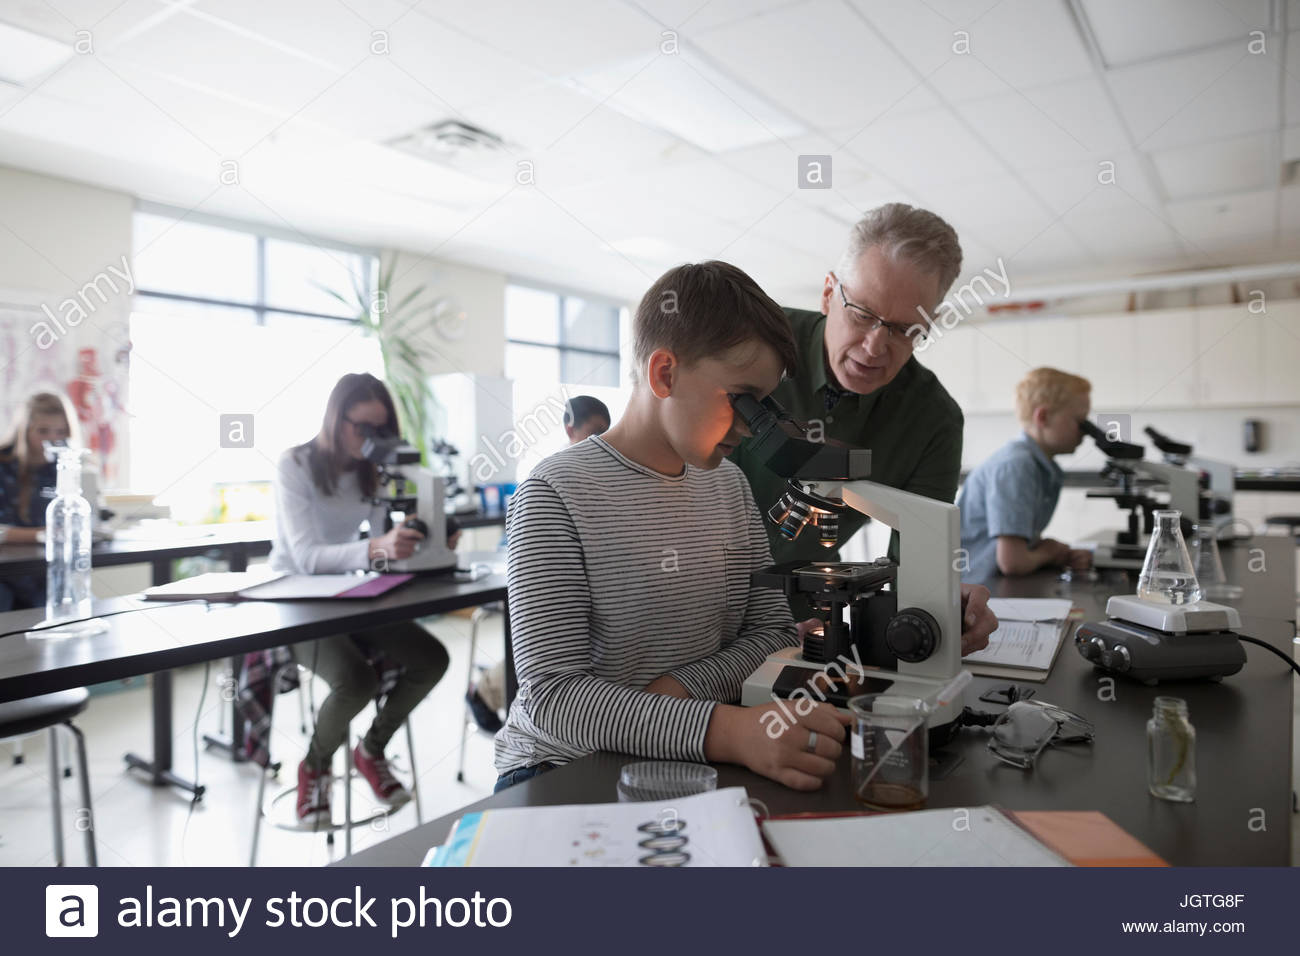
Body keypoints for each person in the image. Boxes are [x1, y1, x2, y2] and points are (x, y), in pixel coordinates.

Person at [494, 261, 852, 793]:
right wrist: (725, 731)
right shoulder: (554, 494)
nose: (754, 428)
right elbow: (553, 698)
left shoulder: (729, 486)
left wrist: (679, 692)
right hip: (565, 764)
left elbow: (774, 633)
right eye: (743, 400)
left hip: (690, 748)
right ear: (664, 373)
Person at [729, 202, 995, 652]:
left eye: (904, 330)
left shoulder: (933, 421)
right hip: (689, 600)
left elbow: (915, 566)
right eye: (863, 314)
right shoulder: (746, 341)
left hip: (804, 624)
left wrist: (943, 605)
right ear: (829, 293)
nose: (875, 347)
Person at [270, 372, 453, 827]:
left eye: (382, 431)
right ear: (336, 419)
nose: (372, 441)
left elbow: (378, 550)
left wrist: (421, 544)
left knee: (431, 658)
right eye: (363, 429)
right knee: (355, 680)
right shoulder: (293, 464)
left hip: (347, 589)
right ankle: (314, 767)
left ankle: (370, 751)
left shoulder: (372, 471)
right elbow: (307, 557)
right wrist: (378, 548)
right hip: (294, 596)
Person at [465, 394, 612, 733]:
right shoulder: (551, 477)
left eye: (603, 434)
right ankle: (485, 690)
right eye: (590, 434)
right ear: (568, 429)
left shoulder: (606, 474)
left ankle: (487, 688)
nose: (595, 443)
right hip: (530, 573)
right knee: (555, 637)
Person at [958, 368, 1094, 584]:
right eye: (1079, 421)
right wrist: (1049, 551)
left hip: (994, 583)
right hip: (978, 590)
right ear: (1043, 417)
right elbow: (1012, 562)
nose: (1086, 432)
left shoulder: (1039, 466)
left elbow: (1022, 546)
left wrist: (1060, 554)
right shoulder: (1017, 466)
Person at [0, 392, 79, 611]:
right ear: (24, 430)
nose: (52, 439)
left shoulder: (65, 468)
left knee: (82, 610)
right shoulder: (4, 464)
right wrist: (42, 534)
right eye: (43, 431)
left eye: (61, 431)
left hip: (47, 572)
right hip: (6, 575)